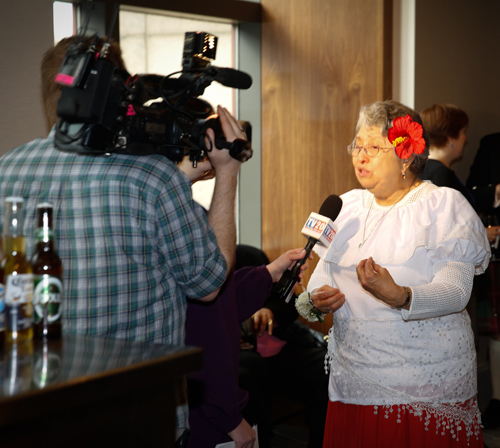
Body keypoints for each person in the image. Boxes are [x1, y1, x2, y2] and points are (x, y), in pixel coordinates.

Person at [0, 35, 245, 444]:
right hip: (135, 411)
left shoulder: (7, 168)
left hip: (32, 410)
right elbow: (209, 283)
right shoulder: (153, 177)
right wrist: (229, 173)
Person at [305, 100, 490, 447]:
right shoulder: (345, 207)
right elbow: (317, 284)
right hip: (354, 380)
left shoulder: (443, 206)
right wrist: (317, 300)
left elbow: (456, 291)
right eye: (357, 145)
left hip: (422, 386)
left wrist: (400, 295)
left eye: (374, 147)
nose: (361, 155)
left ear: (406, 154)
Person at [178, 159, 310, 448]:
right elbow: (201, 326)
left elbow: (220, 293)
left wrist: (270, 272)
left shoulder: (191, 214)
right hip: (199, 411)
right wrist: (227, 417)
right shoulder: (179, 219)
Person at [236, 245, 329, 448]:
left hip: (279, 347)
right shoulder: (201, 268)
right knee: (249, 371)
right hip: (238, 355)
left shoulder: (248, 256)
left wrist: (269, 311)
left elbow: (287, 304)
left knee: (325, 366)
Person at [466, 133, 500, 430]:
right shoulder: (492, 143)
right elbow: (472, 192)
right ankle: (499, 400)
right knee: (497, 330)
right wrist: (498, 191)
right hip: (499, 248)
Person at [419, 103, 475, 206]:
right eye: (463, 131)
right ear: (450, 139)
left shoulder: (419, 168)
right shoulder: (441, 175)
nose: (466, 138)